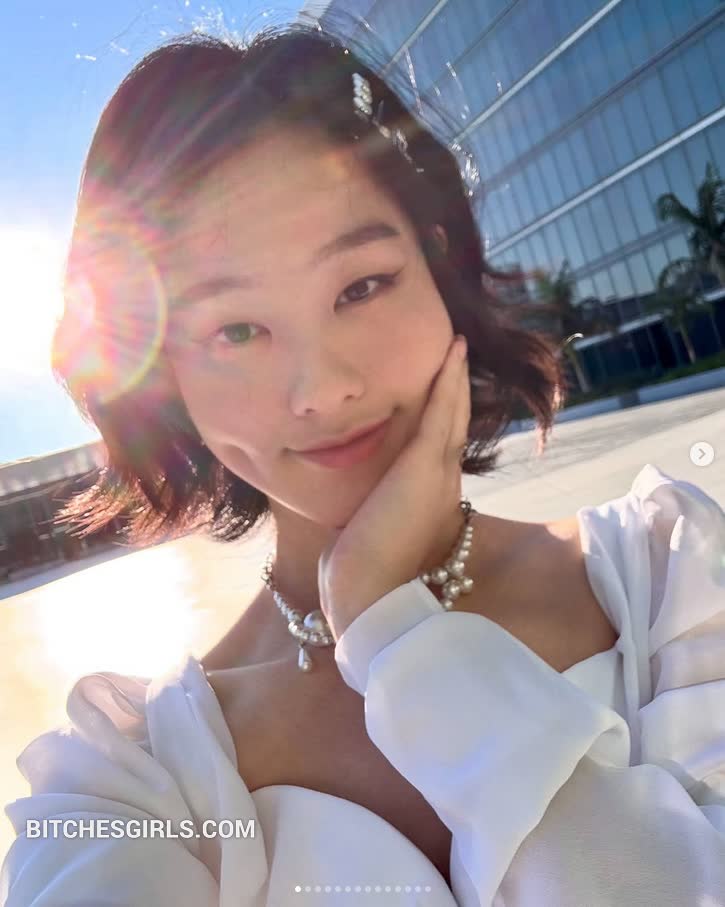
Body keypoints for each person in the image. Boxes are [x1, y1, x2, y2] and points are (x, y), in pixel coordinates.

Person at [2, 20, 724, 907]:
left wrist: (391, 622)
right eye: (236, 330)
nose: (322, 389)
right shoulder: (126, 785)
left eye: (361, 286)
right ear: (165, 378)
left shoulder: (667, 575)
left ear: (438, 267)